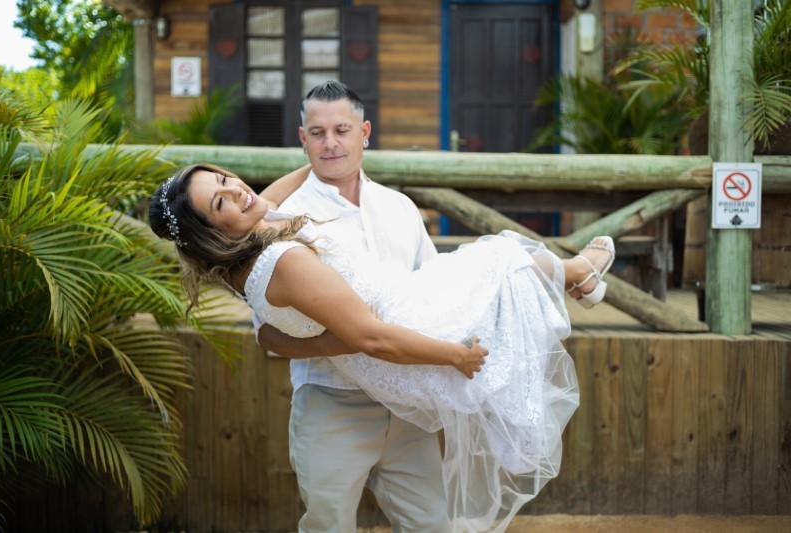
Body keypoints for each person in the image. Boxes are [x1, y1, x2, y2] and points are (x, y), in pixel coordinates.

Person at [149, 83, 615, 532]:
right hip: (335, 400)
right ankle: (577, 274)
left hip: (407, 394)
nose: (330, 144)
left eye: (341, 131)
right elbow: (273, 335)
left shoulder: (376, 207)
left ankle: (575, 279)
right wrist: (351, 345)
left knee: (430, 524)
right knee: (329, 526)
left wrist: (442, 346)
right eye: (317, 134)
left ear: (364, 132)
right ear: (303, 138)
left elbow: (432, 283)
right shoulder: (275, 235)